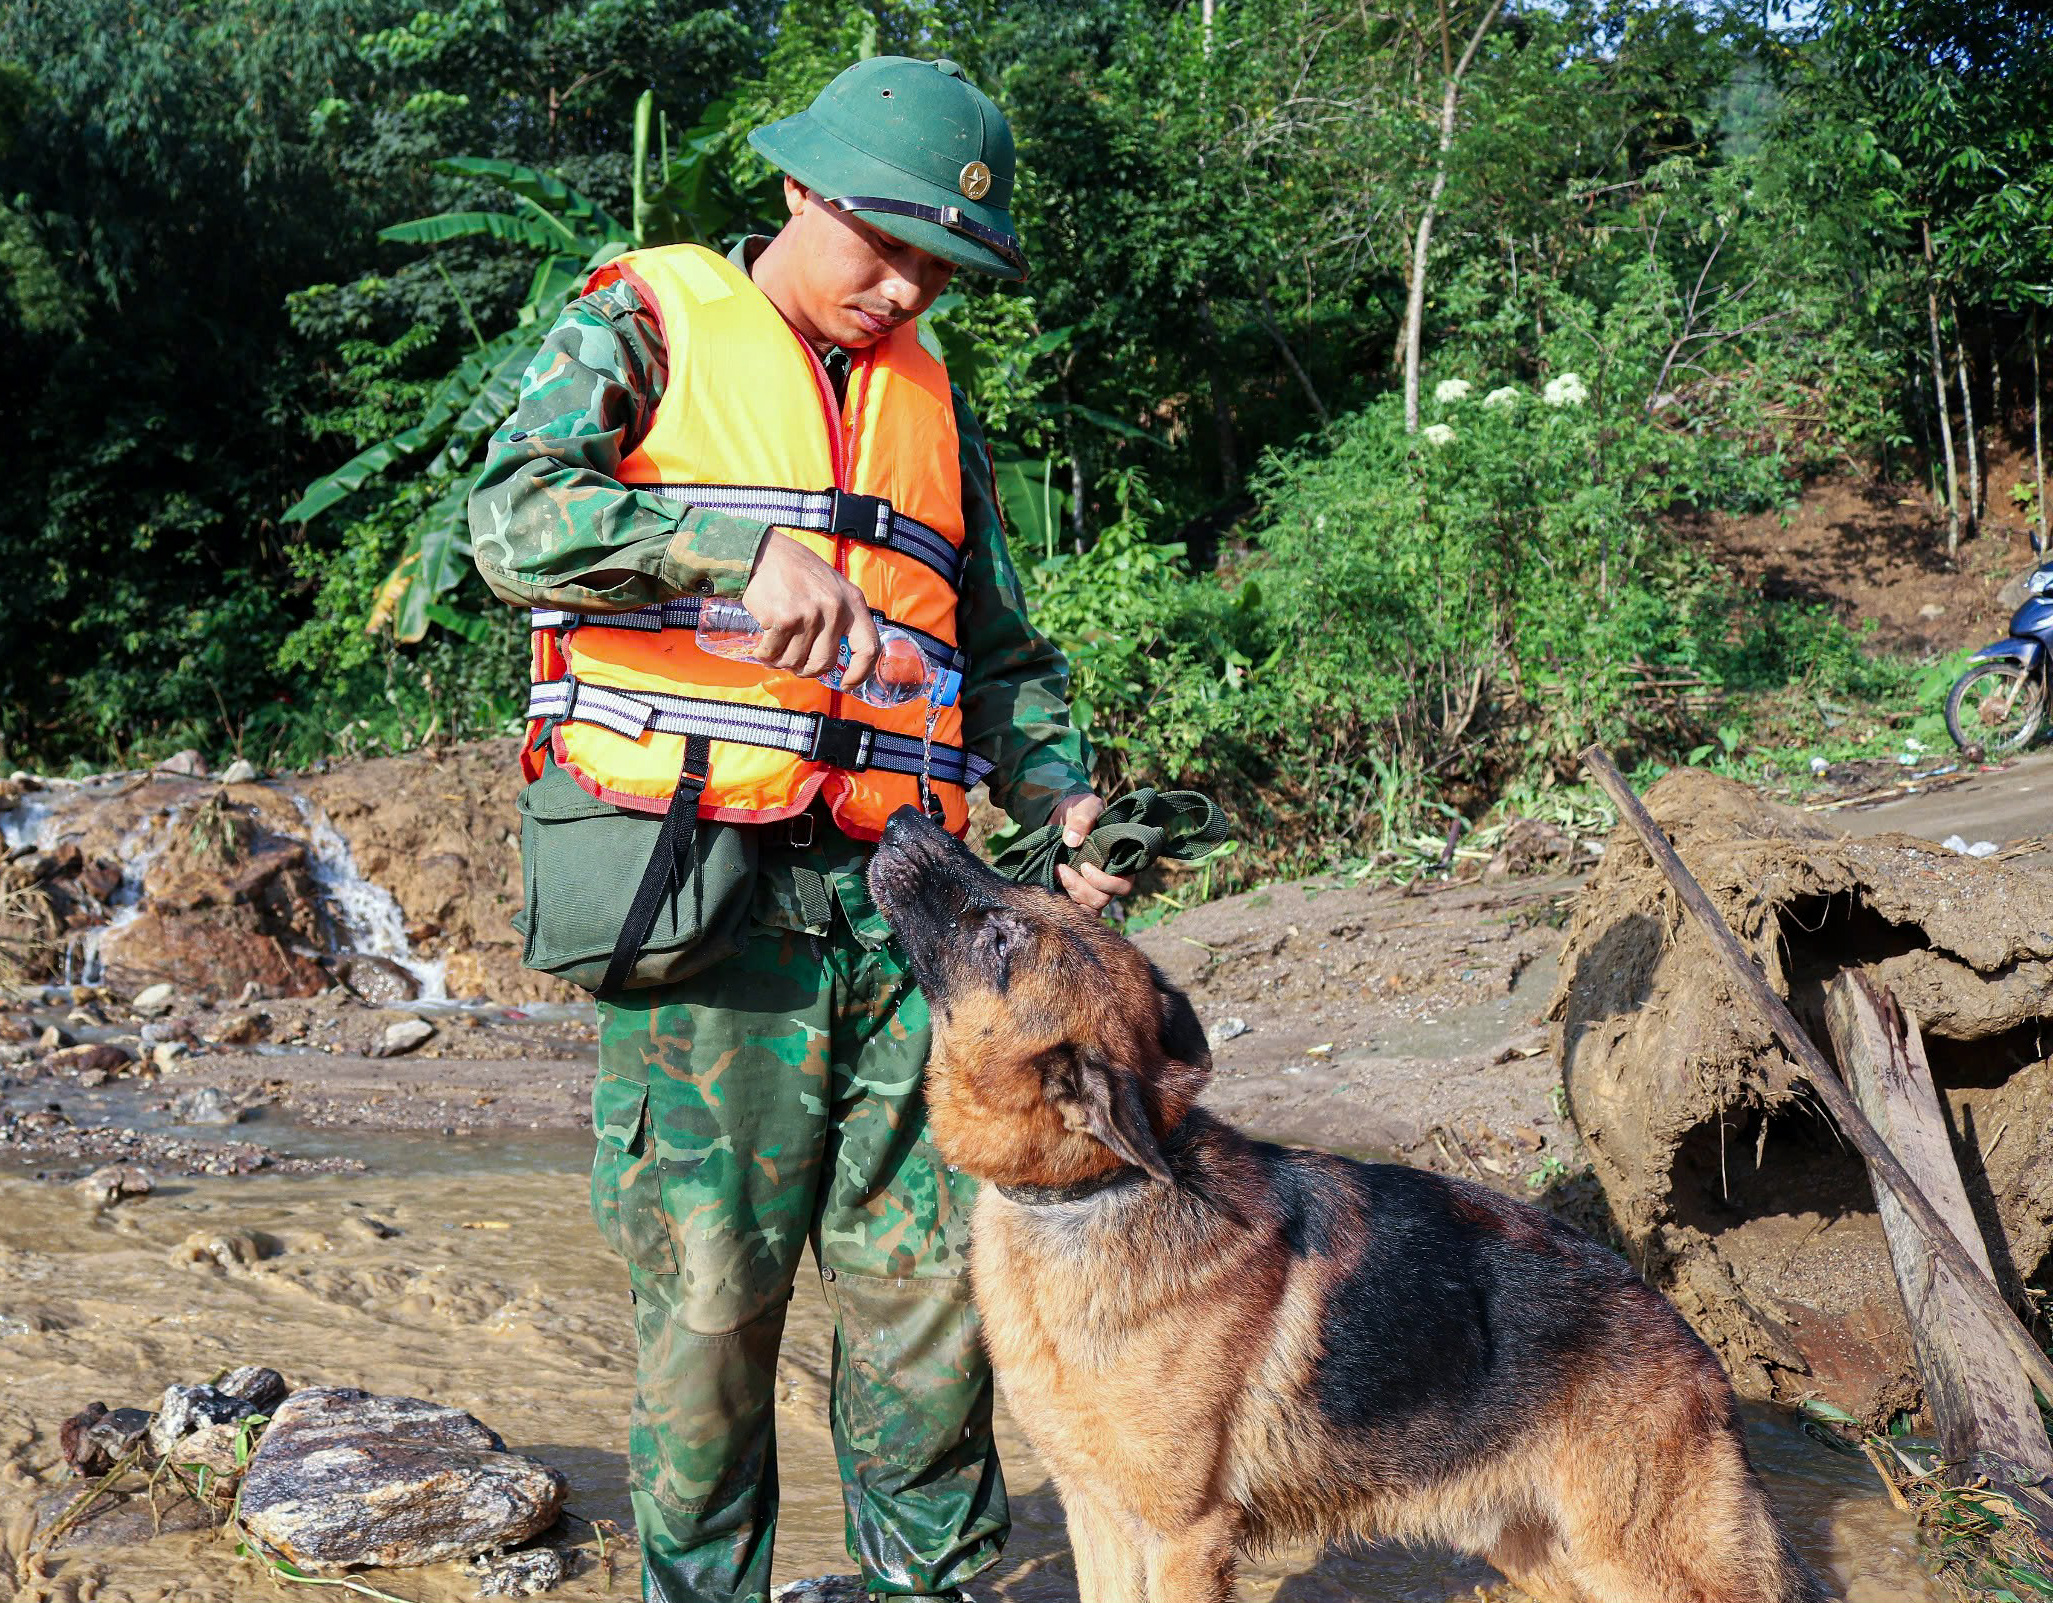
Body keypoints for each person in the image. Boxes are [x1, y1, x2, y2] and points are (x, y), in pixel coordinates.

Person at [468, 55, 1131, 1603]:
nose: (902, 289)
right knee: (708, 1313)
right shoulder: (641, 322)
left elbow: (999, 656)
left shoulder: (928, 403)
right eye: (879, 244)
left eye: (937, 268)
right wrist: (723, 544)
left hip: (916, 922)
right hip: (708, 912)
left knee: (929, 1304)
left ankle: (936, 1588)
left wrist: (1065, 793)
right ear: (794, 191)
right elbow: (506, 522)